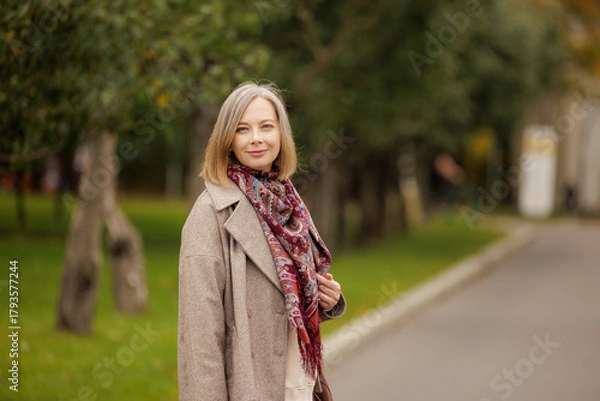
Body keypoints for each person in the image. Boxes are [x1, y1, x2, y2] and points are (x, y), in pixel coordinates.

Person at [178, 81, 346, 401]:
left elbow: (281, 304)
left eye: (266, 126)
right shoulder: (210, 214)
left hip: (300, 385)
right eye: (243, 129)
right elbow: (200, 341)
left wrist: (326, 298)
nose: (256, 138)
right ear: (227, 140)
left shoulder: (288, 203)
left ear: (281, 135)